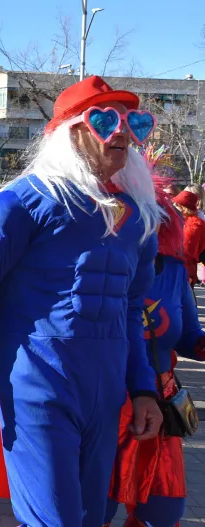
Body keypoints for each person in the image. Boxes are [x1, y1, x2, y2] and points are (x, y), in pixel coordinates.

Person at [0, 76, 163, 526]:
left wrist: (143, 388)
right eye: (104, 120)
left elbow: (132, 310)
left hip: (105, 393)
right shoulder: (17, 206)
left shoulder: (135, 219)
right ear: (71, 132)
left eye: (134, 122)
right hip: (39, 387)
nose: (122, 132)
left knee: (93, 515)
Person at [103, 172, 205, 527]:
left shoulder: (175, 271)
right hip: (103, 402)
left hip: (160, 406)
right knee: (91, 510)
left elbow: (189, 334)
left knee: (162, 511)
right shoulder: (97, 266)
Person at [172, 189, 205, 289]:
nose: (173, 206)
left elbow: (188, 251)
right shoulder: (179, 220)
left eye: (176, 204)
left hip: (184, 270)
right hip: (179, 269)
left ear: (182, 207)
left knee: (185, 302)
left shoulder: (195, 224)